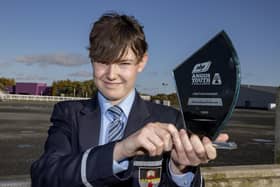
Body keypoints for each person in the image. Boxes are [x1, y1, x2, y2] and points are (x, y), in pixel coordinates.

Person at [31, 12, 228, 187]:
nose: (111, 74)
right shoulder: (69, 114)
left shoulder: (171, 120)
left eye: (123, 63)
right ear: (91, 60)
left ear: (141, 62)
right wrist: (121, 149)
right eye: (102, 62)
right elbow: (44, 176)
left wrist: (180, 170)